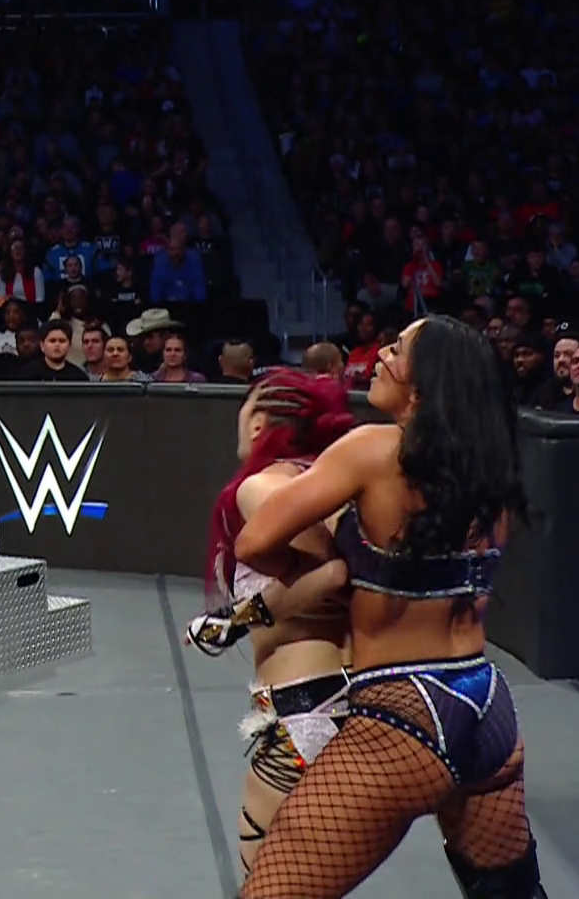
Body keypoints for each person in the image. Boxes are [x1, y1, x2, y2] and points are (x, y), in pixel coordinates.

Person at [235, 316, 545, 898]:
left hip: (403, 715)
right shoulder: (488, 464)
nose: (379, 354)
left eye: (397, 349)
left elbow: (254, 541)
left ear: (422, 385)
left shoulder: (374, 450)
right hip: (487, 706)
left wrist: (318, 574)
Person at [183, 370, 357, 875]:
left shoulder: (263, 488)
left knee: (270, 881)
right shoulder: (322, 483)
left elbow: (336, 572)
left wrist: (235, 622)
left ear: (259, 423)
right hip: (331, 695)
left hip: (307, 706)